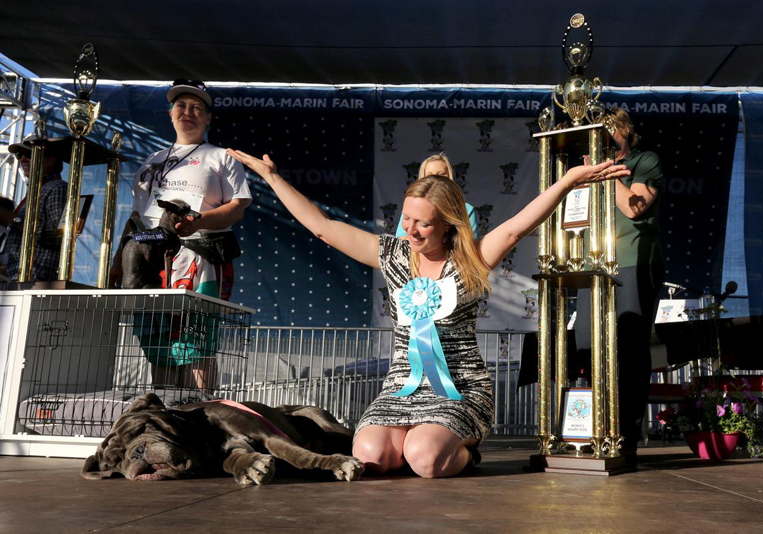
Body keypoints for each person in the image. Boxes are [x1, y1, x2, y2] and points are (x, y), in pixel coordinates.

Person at [227, 146, 629, 478]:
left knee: (425, 459)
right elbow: (322, 226)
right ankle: (413, 437)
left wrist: (567, 181)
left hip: (459, 386)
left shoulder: (471, 257)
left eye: (424, 224)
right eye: (407, 219)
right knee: (370, 455)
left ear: (448, 225)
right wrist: (273, 177)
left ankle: (466, 451)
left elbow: (515, 229)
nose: (412, 230)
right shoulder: (393, 254)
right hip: (402, 387)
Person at [110, 79, 252, 389]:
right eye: (181, 106)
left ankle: (197, 414)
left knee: (195, 342)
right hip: (151, 258)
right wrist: (120, 261)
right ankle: (164, 414)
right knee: (157, 345)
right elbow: (136, 216)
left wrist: (197, 222)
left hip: (199, 256)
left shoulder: (221, 157)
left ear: (209, 117)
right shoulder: (152, 160)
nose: (188, 112)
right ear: (170, 113)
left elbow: (238, 207)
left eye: (197, 108)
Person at [576, 107, 663, 459]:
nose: (603, 138)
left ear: (624, 132)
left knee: (628, 349)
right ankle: (590, 428)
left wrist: (604, 173)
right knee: (585, 345)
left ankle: (626, 435)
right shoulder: (584, 170)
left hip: (633, 262)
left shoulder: (645, 160)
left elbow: (633, 207)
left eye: (608, 131)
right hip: (591, 264)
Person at [3, 141, 67, 282]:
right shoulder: (35, 191)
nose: (22, 159)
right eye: (20, 155)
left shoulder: (57, 188)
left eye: (30, 154)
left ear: (51, 160)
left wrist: (13, 219)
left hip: (36, 279)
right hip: (20, 277)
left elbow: (58, 236)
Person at [396, 153, 479, 238]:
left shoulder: (467, 210)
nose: (435, 178)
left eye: (441, 174)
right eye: (430, 175)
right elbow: (401, 240)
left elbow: (471, 245)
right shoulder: (411, 206)